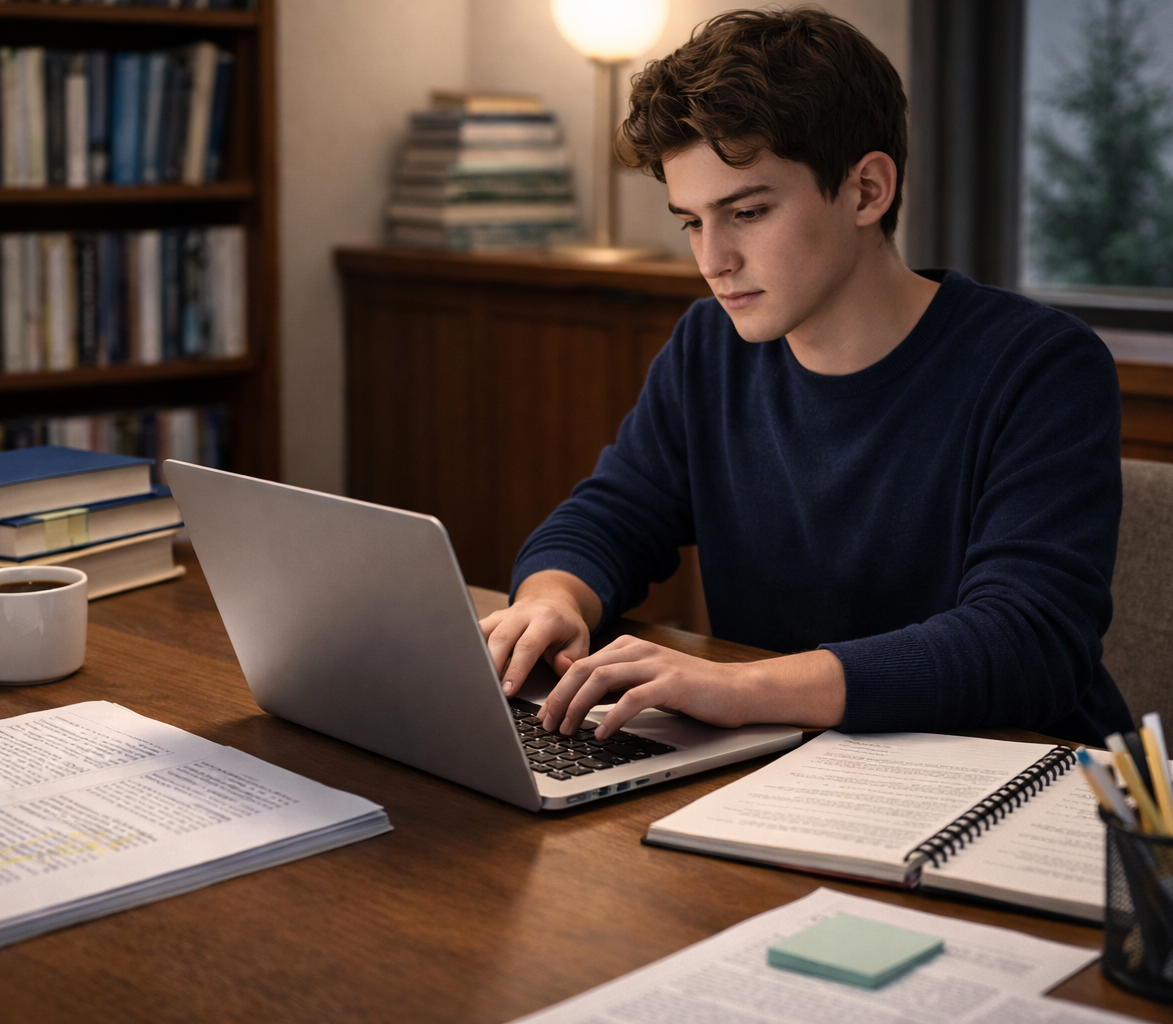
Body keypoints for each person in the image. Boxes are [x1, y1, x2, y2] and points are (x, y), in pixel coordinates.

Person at [478, 8, 1134, 748]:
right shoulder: (709, 347)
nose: (712, 259)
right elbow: (613, 515)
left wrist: (743, 687)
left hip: (1013, 781)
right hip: (789, 767)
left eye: (747, 211)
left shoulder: (1041, 366)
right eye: (692, 221)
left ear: (866, 191)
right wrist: (554, 596)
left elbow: (1028, 645)